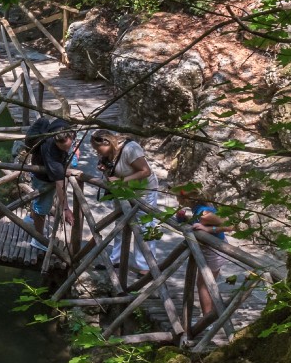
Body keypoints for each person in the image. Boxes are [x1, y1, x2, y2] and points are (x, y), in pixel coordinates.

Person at [91, 129, 160, 274]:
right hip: (123, 192)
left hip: (143, 191)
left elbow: (145, 171)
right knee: (120, 223)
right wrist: (105, 169)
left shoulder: (131, 149)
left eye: (98, 148)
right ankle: (116, 259)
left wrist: (122, 181)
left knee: (145, 225)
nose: (97, 152)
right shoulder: (110, 152)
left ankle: (146, 266)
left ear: (107, 142)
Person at [174, 185, 231, 322]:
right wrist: (184, 219)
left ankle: (207, 320)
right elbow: (198, 222)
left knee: (204, 284)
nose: (176, 198)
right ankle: (209, 315)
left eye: (178, 196)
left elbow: (230, 225)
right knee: (207, 283)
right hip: (212, 248)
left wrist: (209, 230)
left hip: (215, 250)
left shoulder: (204, 214)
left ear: (185, 198)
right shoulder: (198, 210)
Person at [26, 118, 77, 251]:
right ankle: (38, 239)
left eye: (69, 146)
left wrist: (72, 150)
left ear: (71, 135)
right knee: (42, 207)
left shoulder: (64, 127)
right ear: (56, 142)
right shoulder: (51, 152)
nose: (67, 150)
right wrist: (65, 208)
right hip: (42, 176)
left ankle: (31, 219)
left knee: (38, 201)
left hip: (44, 167)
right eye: (63, 149)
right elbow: (60, 184)